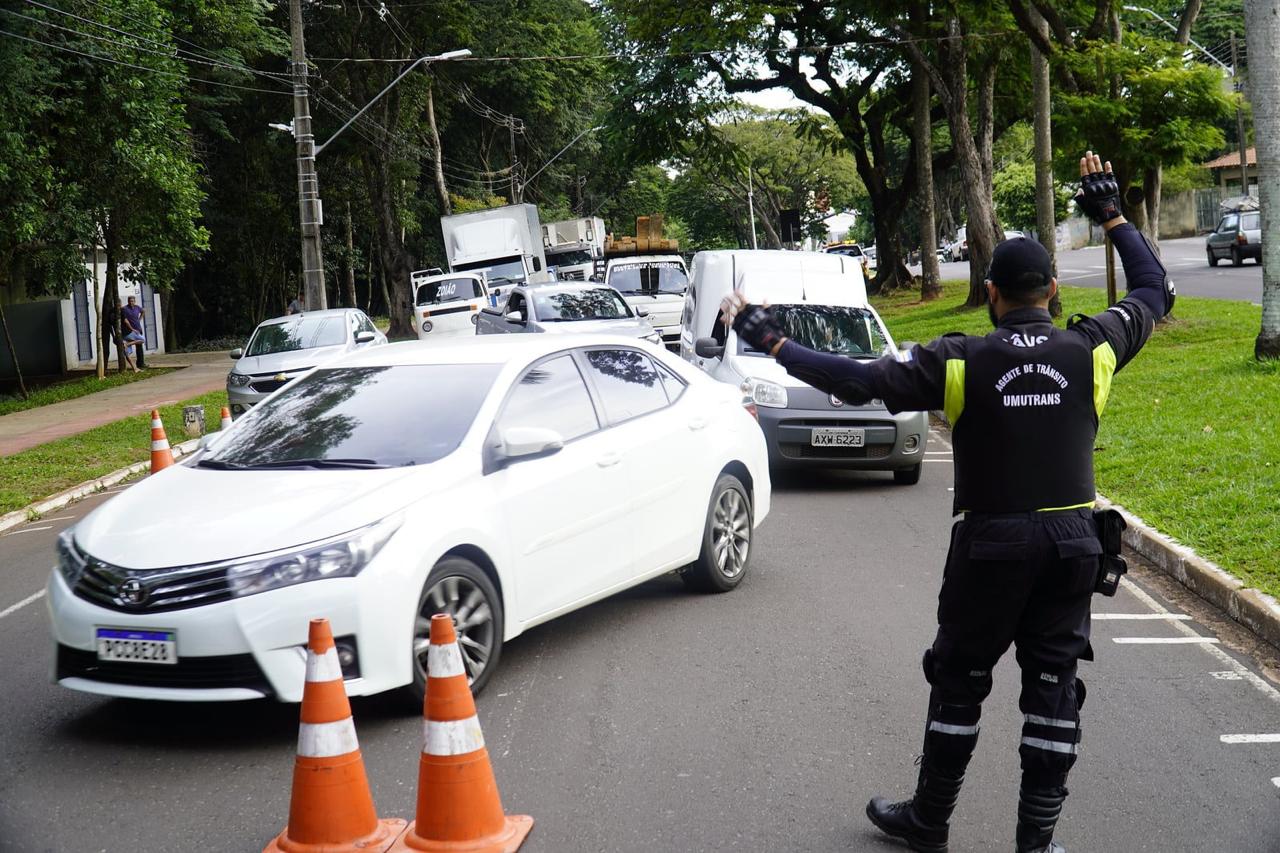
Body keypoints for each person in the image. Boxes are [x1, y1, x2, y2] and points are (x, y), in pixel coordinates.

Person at [721, 151, 1175, 853]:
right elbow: (1155, 288)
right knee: (1053, 689)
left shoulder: (960, 359)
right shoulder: (1093, 350)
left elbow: (857, 380)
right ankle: (1036, 844)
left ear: (991, 294)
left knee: (959, 681)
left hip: (990, 547)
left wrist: (772, 339)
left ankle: (930, 821)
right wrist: (1112, 215)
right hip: (1071, 548)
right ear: (1053, 291)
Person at [121, 294, 146, 369]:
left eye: (132, 301)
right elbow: (124, 319)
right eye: (130, 301)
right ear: (128, 301)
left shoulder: (137, 307)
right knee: (130, 348)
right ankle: (131, 365)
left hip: (138, 329)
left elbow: (143, 311)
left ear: (135, 301)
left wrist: (140, 319)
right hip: (130, 331)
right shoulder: (125, 309)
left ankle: (140, 363)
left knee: (139, 347)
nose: (131, 302)